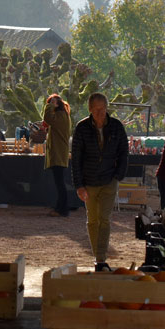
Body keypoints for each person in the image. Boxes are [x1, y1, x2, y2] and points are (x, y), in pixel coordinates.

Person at [71, 92, 128, 272]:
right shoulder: (81, 128)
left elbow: (124, 152)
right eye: (96, 110)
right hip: (89, 181)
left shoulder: (117, 127)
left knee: (105, 219)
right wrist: (79, 185)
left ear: (107, 108)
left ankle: (100, 258)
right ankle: (98, 256)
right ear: (90, 110)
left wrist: (119, 175)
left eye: (103, 109)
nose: (100, 113)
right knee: (93, 220)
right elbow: (76, 159)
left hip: (109, 180)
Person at [44, 93, 71, 218]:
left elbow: (47, 118)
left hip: (59, 154)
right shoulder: (62, 116)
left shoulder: (61, 115)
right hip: (59, 153)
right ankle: (60, 207)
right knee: (59, 183)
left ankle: (63, 209)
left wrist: (49, 106)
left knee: (60, 183)